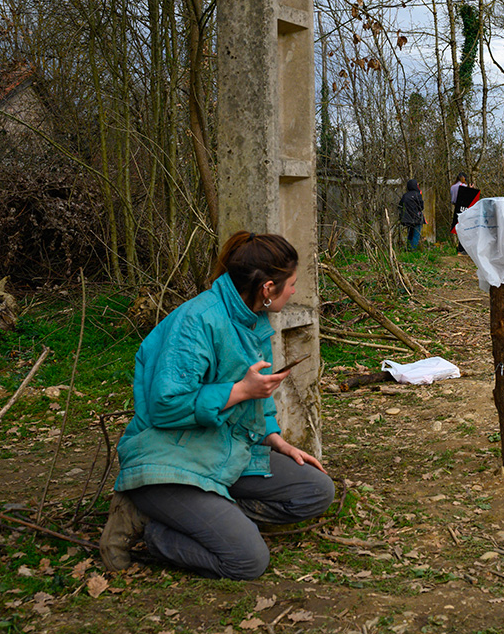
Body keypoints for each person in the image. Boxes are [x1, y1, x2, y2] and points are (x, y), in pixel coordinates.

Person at [100, 232, 335, 580]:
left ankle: (209, 515)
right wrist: (239, 390)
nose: (294, 292)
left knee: (316, 490)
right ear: (268, 288)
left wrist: (276, 439)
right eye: (291, 285)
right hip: (171, 461)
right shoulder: (196, 321)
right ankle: (150, 525)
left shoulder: (252, 320)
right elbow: (166, 405)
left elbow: (259, 397)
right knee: (247, 560)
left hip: (224, 453)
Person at [399, 179, 425, 249]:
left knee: (410, 234)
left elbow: (400, 205)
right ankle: (413, 250)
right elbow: (421, 206)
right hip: (416, 218)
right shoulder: (417, 195)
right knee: (416, 234)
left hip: (407, 218)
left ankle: (409, 248)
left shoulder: (405, 195)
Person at [450, 172, 468, 254]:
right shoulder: (463, 187)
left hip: (456, 207)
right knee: (465, 228)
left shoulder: (452, 187)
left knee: (458, 226)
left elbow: (453, 200)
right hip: (463, 208)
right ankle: (462, 248)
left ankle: (460, 247)